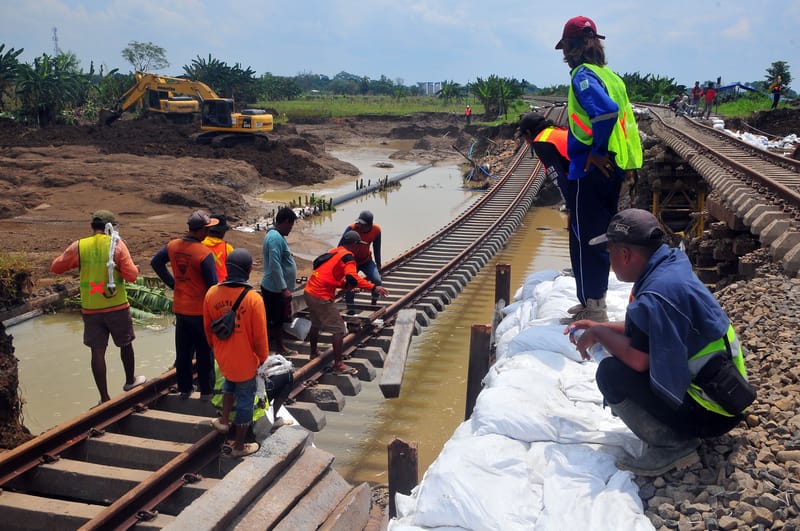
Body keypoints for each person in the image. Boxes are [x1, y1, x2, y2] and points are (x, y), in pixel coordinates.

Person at [567, 209, 753, 476]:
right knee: (618, 361)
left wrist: (598, 334)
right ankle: (680, 428)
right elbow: (646, 330)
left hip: (712, 412)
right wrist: (599, 326)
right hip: (729, 394)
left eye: (610, 254)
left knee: (610, 375)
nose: (610, 262)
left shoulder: (655, 294)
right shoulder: (670, 266)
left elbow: (638, 361)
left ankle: (672, 445)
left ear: (626, 255)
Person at [555, 15, 643, 323]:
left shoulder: (582, 75)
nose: (565, 55)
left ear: (573, 47)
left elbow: (605, 112)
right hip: (616, 167)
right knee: (598, 236)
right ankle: (593, 301)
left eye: (566, 48)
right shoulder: (610, 76)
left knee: (585, 236)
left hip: (592, 169)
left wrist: (595, 152)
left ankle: (593, 307)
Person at [51, 210, 145, 403]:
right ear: (111, 227)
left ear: (92, 227)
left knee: (97, 351)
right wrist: (133, 269)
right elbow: (132, 276)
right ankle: (130, 381)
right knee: (125, 344)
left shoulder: (80, 246)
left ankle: (104, 397)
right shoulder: (117, 244)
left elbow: (56, 267)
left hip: (91, 308)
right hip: (116, 305)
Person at [204, 248, 267, 457]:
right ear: (248, 270)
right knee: (246, 401)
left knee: (228, 384)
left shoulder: (212, 293)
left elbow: (207, 328)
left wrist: (217, 349)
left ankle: (223, 421)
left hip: (223, 357)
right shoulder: (253, 299)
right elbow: (259, 337)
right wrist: (263, 360)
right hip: (246, 361)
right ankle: (240, 446)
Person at [151, 210, 219, 399]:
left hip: (181, 309)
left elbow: (156, 262)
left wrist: (173, 283)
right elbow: (213, 286)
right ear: (202, 230)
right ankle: (206, 391)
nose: (208, 233)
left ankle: (185, 389)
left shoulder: (173, 246)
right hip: (200, 311)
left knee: (183, 351)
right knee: (205, 353)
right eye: (208, 229)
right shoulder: (204, 254)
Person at [304, 230, 389, 374]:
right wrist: (374, 287)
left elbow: (329, 275)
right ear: (354, 245)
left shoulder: (335, 251)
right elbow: (353, 277)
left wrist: (343, 285)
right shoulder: (348, 257)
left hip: (309, 291)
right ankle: (338, 365)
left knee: (316, 323)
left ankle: (313, 353)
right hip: (321, 296)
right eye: (358, 245)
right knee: (339, 329)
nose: (359, 248)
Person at [261, 207, 298, 356]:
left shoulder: (276, 235)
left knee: (277, 319)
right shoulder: (275, 238)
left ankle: (275, 346)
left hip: (275, 287)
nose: (290, 229)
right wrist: (284, 288)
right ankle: (279, 348)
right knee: (276, 321)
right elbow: (274, 264)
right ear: (286, 222)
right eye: (291, 225)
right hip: (274, 288)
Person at [519, 111, 570, 200]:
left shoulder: (542, 142)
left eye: (524, 136)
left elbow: (558, 177)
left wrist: (569, 203)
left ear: (528, 132)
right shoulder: (561, 130)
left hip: (583, 180)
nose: (526, 142)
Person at [339, 210, 383, 314]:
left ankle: (373, 305)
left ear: (369, 225)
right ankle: (351, 310)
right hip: (351, 261)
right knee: (350, 285)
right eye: (359, 223)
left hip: (366, 260)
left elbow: (377, 248)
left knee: (377, 280)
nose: (359, 226)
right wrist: (342, 267)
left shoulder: (376, 231)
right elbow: (340, 247)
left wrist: (378, 264)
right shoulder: (351, 228)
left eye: (362, 224)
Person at [202, 214, 234, 281]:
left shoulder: (199, 245)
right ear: (222, 232)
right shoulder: (227, 248)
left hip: (202, 285)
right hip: (221, 287)